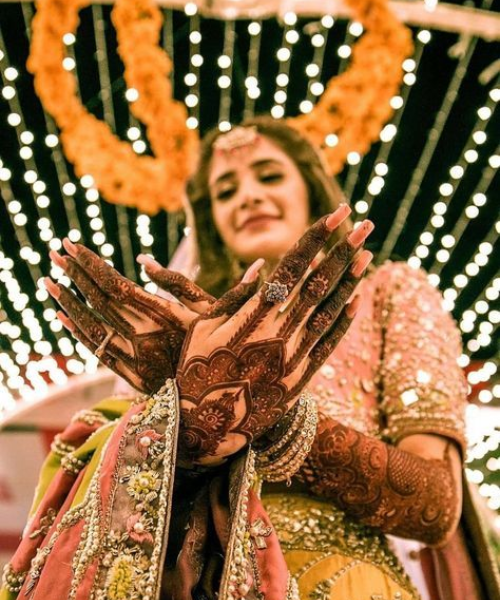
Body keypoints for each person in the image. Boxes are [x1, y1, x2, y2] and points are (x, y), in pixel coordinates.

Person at [1, 118, 497, 600]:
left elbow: (435, 504)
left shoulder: (390, 292)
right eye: (225, 191)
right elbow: (129, 498)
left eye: (270, 175)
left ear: (313, 194)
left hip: (351, 582)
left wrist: (267, 419)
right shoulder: (191, 334)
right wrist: (176, 426)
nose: (249, 197)